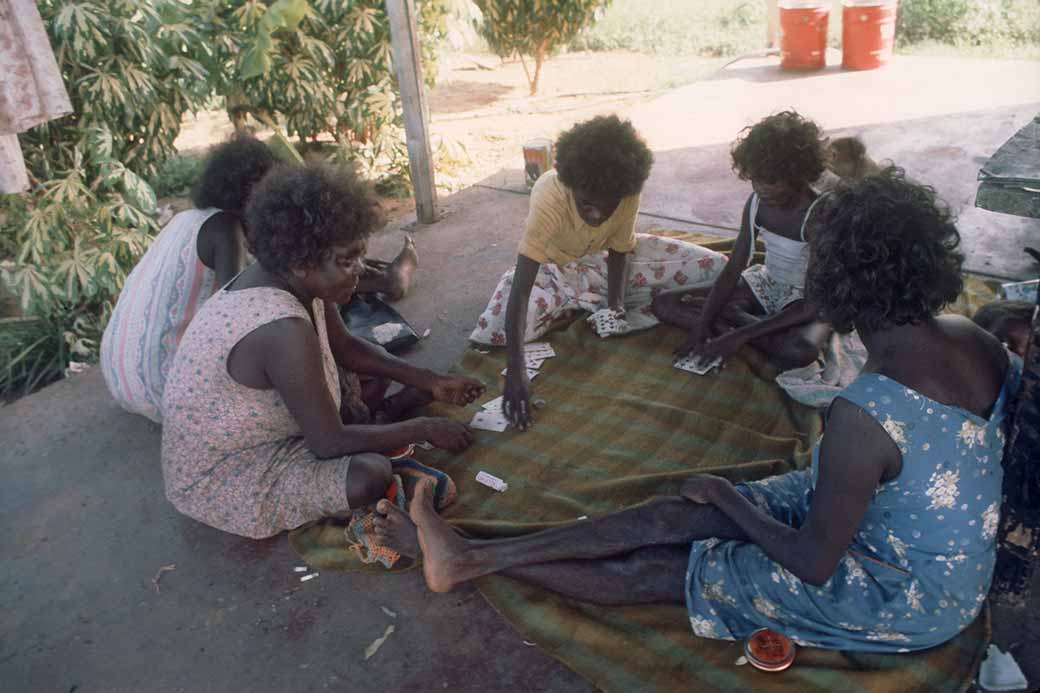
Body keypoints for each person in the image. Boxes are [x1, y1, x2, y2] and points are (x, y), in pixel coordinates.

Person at [375, 169, 1022, 652]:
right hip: (905, 526)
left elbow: (813, 561)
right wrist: (721, 501)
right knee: (682, 510)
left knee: (675, 565)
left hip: (898, 592)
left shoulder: (866, 413)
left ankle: (469, 559)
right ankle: (477, 549)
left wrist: (733, 503)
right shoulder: (974, 337)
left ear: (839, 284)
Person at [161, 163, 485, 539]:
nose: (359, 271)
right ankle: (384, 433)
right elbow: (329, 443)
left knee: (366, 371)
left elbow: (345, 346)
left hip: (262, 430)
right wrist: (424, 428)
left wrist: (431, 382)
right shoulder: (282, 328)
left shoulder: (293, 279)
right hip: (225, 476)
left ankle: (380, 420)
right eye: (346, 261)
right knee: (369, 475)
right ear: (301, 262)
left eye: (359, 255)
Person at [470, 115, 726, 429]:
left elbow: (620, 250)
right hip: (552, 273)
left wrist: (615, 305)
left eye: (608, 207)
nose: (597, 216)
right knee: (496, 327)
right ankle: (573, 304)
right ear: (571, 185)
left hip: (600, 263)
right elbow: (523, 285)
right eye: (587, 204)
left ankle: (585, 305)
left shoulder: (626, 191)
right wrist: (517, 371)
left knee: (716, 268)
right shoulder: (549, 195)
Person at [100, 134, 277, 422]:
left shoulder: (184, 218)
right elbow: (240, 308)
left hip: (121, 378)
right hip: (162, 387)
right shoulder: (225, 228)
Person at [651, 111, 833, 370]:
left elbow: (811, 306)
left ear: (798, 175)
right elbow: (735, 265)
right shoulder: (758, 202)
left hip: (805, 299)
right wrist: (701, 326)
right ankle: (741, 324)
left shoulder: (819, 214)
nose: (761, 188)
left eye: (771, 181)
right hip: (766, 282)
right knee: (664, 302)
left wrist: (739, 335)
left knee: (800, 351)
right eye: (755, 179)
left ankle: (737, 323)